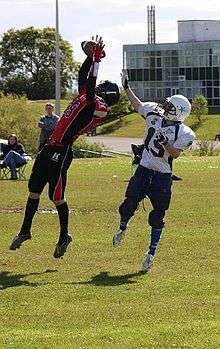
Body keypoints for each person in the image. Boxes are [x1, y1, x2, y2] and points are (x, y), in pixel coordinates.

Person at [9, 36, 120, 258]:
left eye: (102, 87)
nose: (98, 86)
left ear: (105, 94)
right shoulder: (87, 97)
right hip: (50, 147)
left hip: (62, 151)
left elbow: (89, 88)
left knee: (56, 196)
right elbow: (83, 77)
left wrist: (97, 60)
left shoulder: (97, 104)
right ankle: (25, 231)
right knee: (33, 190)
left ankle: (64, 236)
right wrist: (89, 58)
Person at [112, 70, 195, 272]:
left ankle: (151, 253)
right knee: (128, 204)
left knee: (157, 217)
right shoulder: (154, 114)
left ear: (179, 112)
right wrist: (126, 88)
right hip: (143, 169)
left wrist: (165, 141)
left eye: (169, 106)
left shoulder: (184, 133)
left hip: (162, 177)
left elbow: (175, 154)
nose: (164, 107)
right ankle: (122, 228)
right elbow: (138, 105)